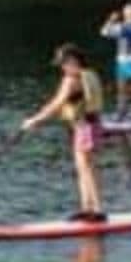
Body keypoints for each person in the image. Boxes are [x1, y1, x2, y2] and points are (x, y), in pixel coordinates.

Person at [21, 43, 106, 222]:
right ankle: (87, 208)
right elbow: (58, 102)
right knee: (82, 167)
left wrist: (35, 120)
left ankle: (98, 210)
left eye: (64, 63)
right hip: (89, 125)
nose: (62, 67)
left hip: (85, 127)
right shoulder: (87, 74)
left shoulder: (72, 80)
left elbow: (57, 104)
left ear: (74, 60)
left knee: (87, 167)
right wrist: (38, 117)